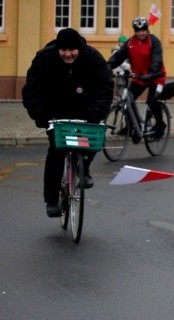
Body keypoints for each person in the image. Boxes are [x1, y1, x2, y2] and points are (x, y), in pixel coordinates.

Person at [22, 28, 113, 217]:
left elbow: (104, 87)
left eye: (72, 50)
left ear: (79, 48)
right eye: (63, 50)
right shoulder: (45, 60)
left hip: (85, 112)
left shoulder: (93, 58)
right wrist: (42, 117)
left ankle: (84, 168)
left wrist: (96, 115)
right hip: (55, 114)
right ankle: (52, 200)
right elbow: (32, 90)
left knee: (93, 140)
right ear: (58, 49)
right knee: (56, 150)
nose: (68, 54)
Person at [108, 16, 167, 139]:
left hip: (156, 77)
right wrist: (108, 66)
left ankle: (160, 125)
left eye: (143, 30)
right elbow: (119, 56)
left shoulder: (153, 41)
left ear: (147, 30)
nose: (141, 33)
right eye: (138, 31)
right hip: (139, 78)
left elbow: (157, 57)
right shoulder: (130, 43)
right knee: (127, 99)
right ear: (135, 31)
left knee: (152, 100)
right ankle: (133, 126)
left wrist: (152, 72)